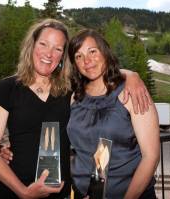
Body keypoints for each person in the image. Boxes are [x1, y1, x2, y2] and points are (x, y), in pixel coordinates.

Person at [0, 18, 151, 199]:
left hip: (59, 193)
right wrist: (23, 192)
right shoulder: (7, 88)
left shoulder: (71, 89)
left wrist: (131, 75)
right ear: (32, 46)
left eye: (58, 49)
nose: (49, 53)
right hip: (16, 192)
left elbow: (98, 72)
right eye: (43, 44)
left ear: (63, 57)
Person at [67, 29, 160, 199]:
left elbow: (151, 156)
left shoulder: (132, 92)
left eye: (92, 51)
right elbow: (77, 150)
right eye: (78, 56)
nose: (86, 60)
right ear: (75, 64)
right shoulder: (75, 98)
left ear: (105, 52)